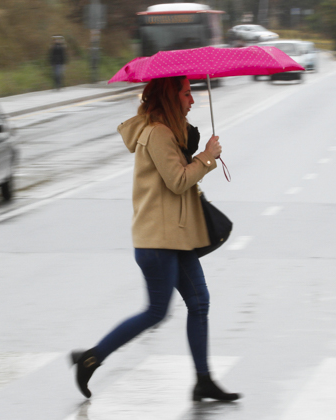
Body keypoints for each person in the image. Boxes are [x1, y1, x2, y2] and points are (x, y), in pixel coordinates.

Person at [70, 76, 241, 402]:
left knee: (199, 303)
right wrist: (206, 157)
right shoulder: (158, 134)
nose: (192, 100)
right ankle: (91, 358)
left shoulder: (169, 132)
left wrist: (197, 151)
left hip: (175, 237)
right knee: (156, 312)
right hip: (158, 240)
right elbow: (178, 181)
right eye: (187, 93)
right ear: (170, 96)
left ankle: (203, 380)